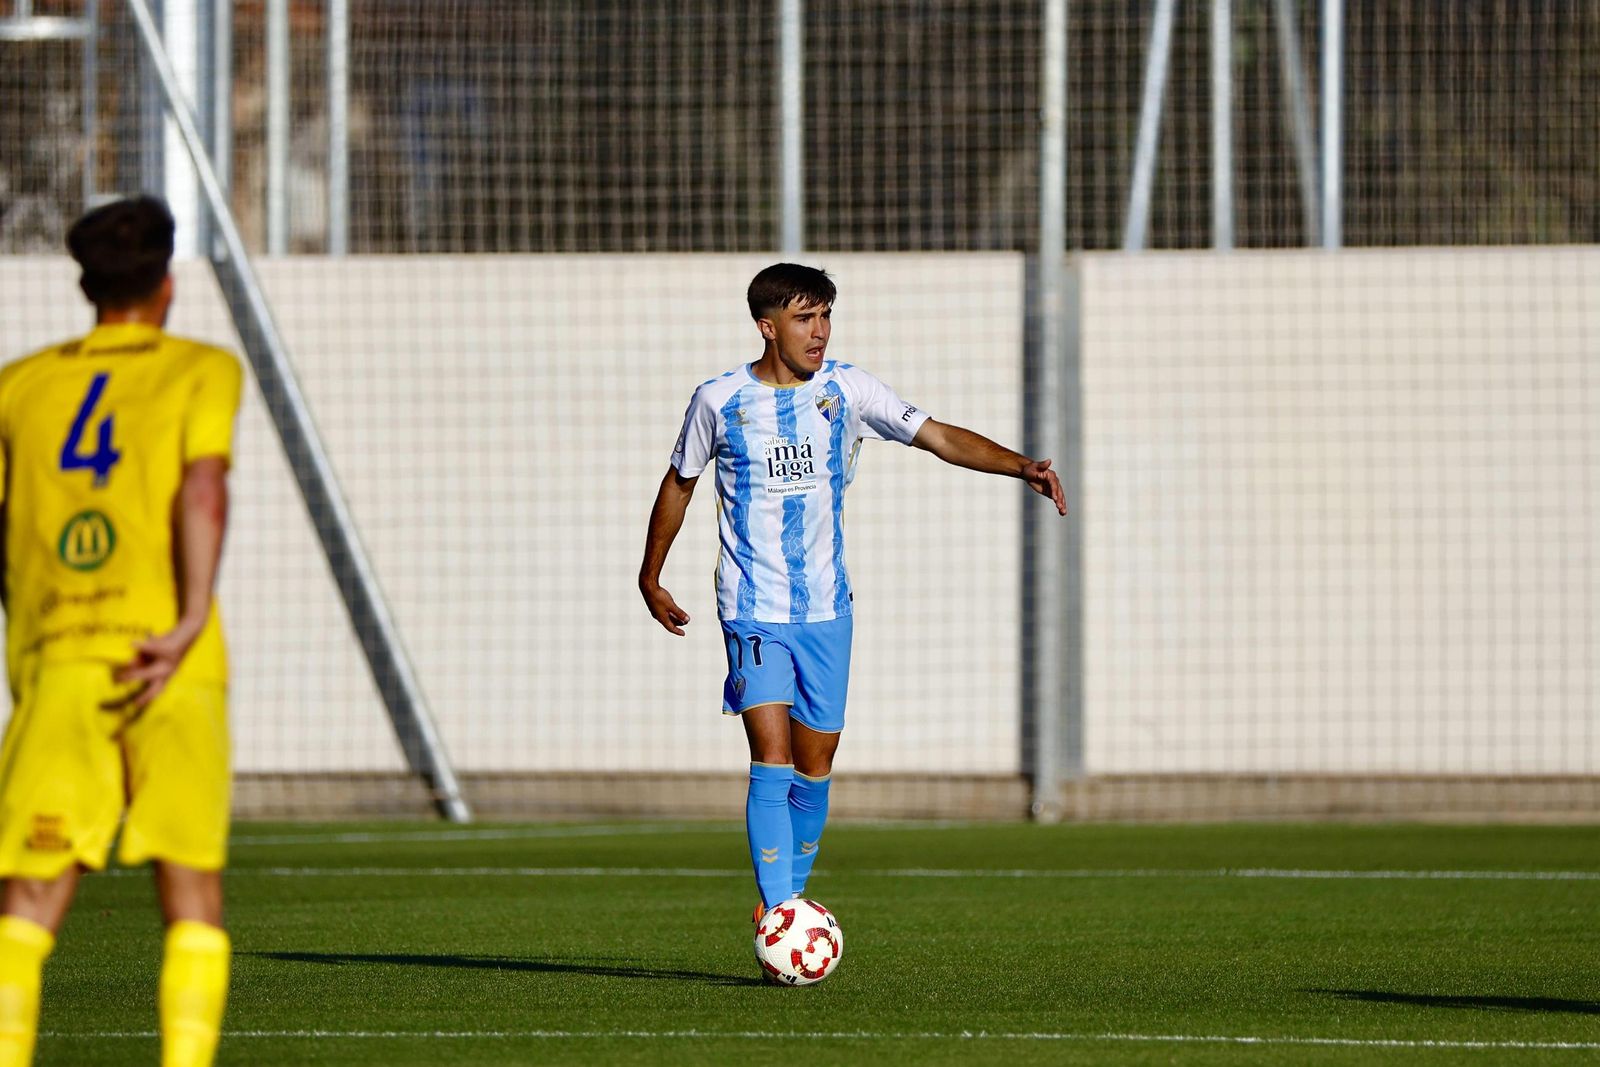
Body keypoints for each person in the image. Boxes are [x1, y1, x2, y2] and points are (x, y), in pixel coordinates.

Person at [639, 262, 1065, 923]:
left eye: (826, 315)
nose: (820, 331)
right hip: (752, 606)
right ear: (767, 326)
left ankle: (789, 894)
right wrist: (651, 573)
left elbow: (940, 436)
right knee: (771, 756)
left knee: (816, 764)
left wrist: (1022, 465)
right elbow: (680, 482)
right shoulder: (718, 400)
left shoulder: (849, 390)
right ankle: (781, 912)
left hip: (827, 609)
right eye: (805, 318)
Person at [0, 197, 242, 1067]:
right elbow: (202, 489)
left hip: (63, 660)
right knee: (189, 890)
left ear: (85, 285)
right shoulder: (203, 370)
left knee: (27, 896)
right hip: (172, 663)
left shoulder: (18, 387)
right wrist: (184, 621)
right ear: (167, 285)